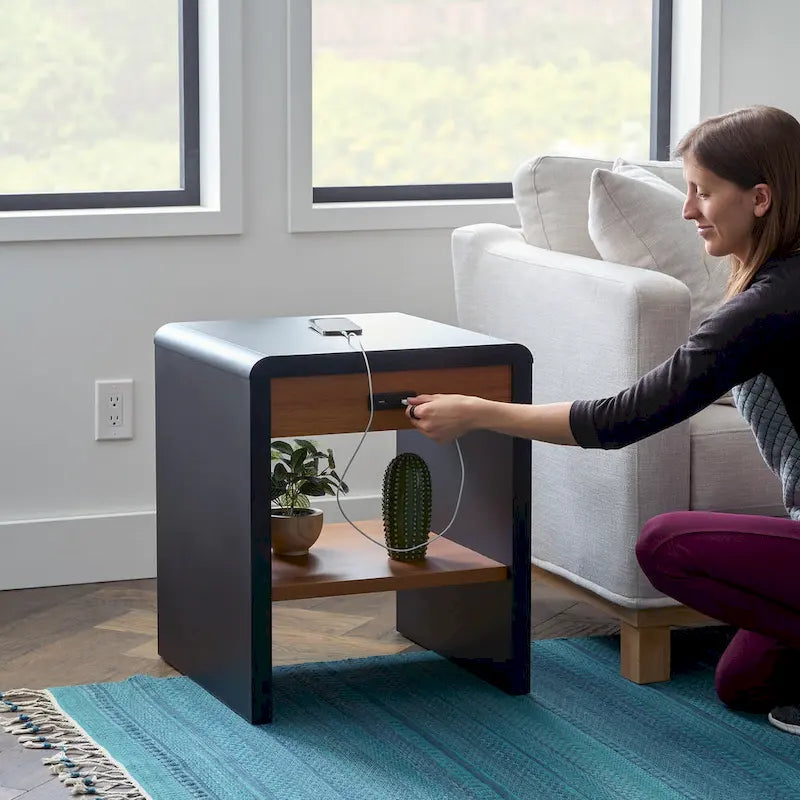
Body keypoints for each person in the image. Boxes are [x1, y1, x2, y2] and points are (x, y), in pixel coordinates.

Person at [404, 105, 800, 736]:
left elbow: (621, 419)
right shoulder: (775, 290)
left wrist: (478, 412)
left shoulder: (767, 308)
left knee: (665, 544)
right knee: (745, 683)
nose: (688, 209)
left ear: (760, 199)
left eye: (702, 192)